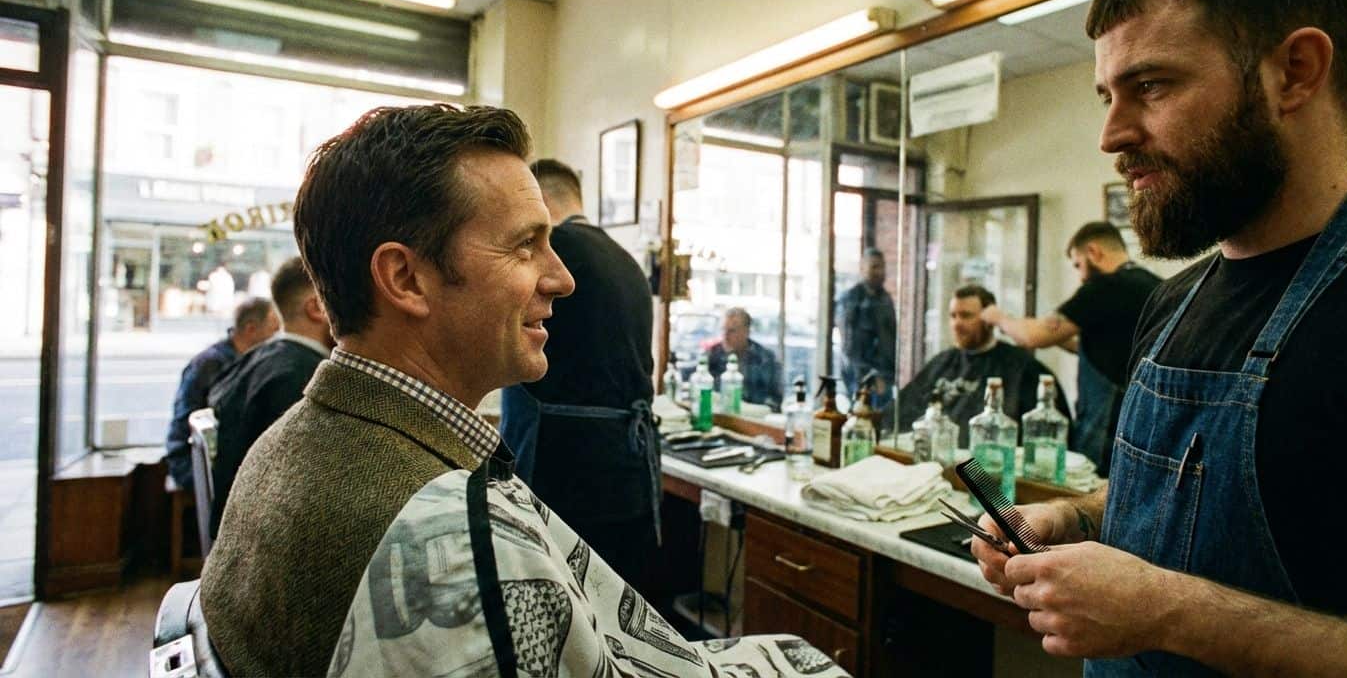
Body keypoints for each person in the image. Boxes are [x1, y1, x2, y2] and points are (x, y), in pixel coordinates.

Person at [202, 104, 841, 678]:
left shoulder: (282, 448)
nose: (561, 278)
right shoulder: (453, 549)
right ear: (406, 278)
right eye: (525, 245)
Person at [972, 0, 1347, 675]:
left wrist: (1168, 611)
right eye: (1106, 96)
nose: (1112, 134)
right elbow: (1166, 499)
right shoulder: (1175, 299)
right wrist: (1073, 518)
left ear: (1295, 72)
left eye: (1150, 85)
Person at [499, 158, 659, 593]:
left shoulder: (557, 251)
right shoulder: (625, 259)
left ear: (541, 201)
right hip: (627, 471)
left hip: (567, 469)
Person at [980, 222, 1160, 473]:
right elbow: (1106, 349)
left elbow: (1033, 337)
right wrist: (1052, 333)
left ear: (1093, 251)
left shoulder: (1104, 288)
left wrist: (998, 318)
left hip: (1107, 424)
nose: (1081, 276)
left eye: (1078, 264)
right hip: (1142, 421)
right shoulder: (1152, 285)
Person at [205, 256, 334, 539]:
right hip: (260, 541)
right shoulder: (304, 380)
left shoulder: (254, 359)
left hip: (230, 527)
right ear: (317, 307)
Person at [888, 285, 1070, 445]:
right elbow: (898, 417)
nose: (957, 324)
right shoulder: (941, 363)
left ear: (989, 322)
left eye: (966, 316)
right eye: (953, 316)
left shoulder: (1020, 368)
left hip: (982, 473)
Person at [163, 296, 277, 490]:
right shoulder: (211, 364)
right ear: (251, 329)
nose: (277, 337)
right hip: (190, 459)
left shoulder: (244, 361)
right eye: (273, 329)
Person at [836, 248, 896, 400]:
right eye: (874, 267)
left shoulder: (885, 299)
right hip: (860, 380)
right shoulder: (851, 299)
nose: (880, 272)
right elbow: (850, 349)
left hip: (885, 378)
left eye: (882, 267)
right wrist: (871, 377)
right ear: (862, 269)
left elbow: (889, 341)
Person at [706, 307, 783, 409]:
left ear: (746, 332)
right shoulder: (713, 354)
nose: (725, 336)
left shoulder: (765, 358)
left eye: (732, 331)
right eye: (723, 330)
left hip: (754, 417)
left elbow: (776, 399)